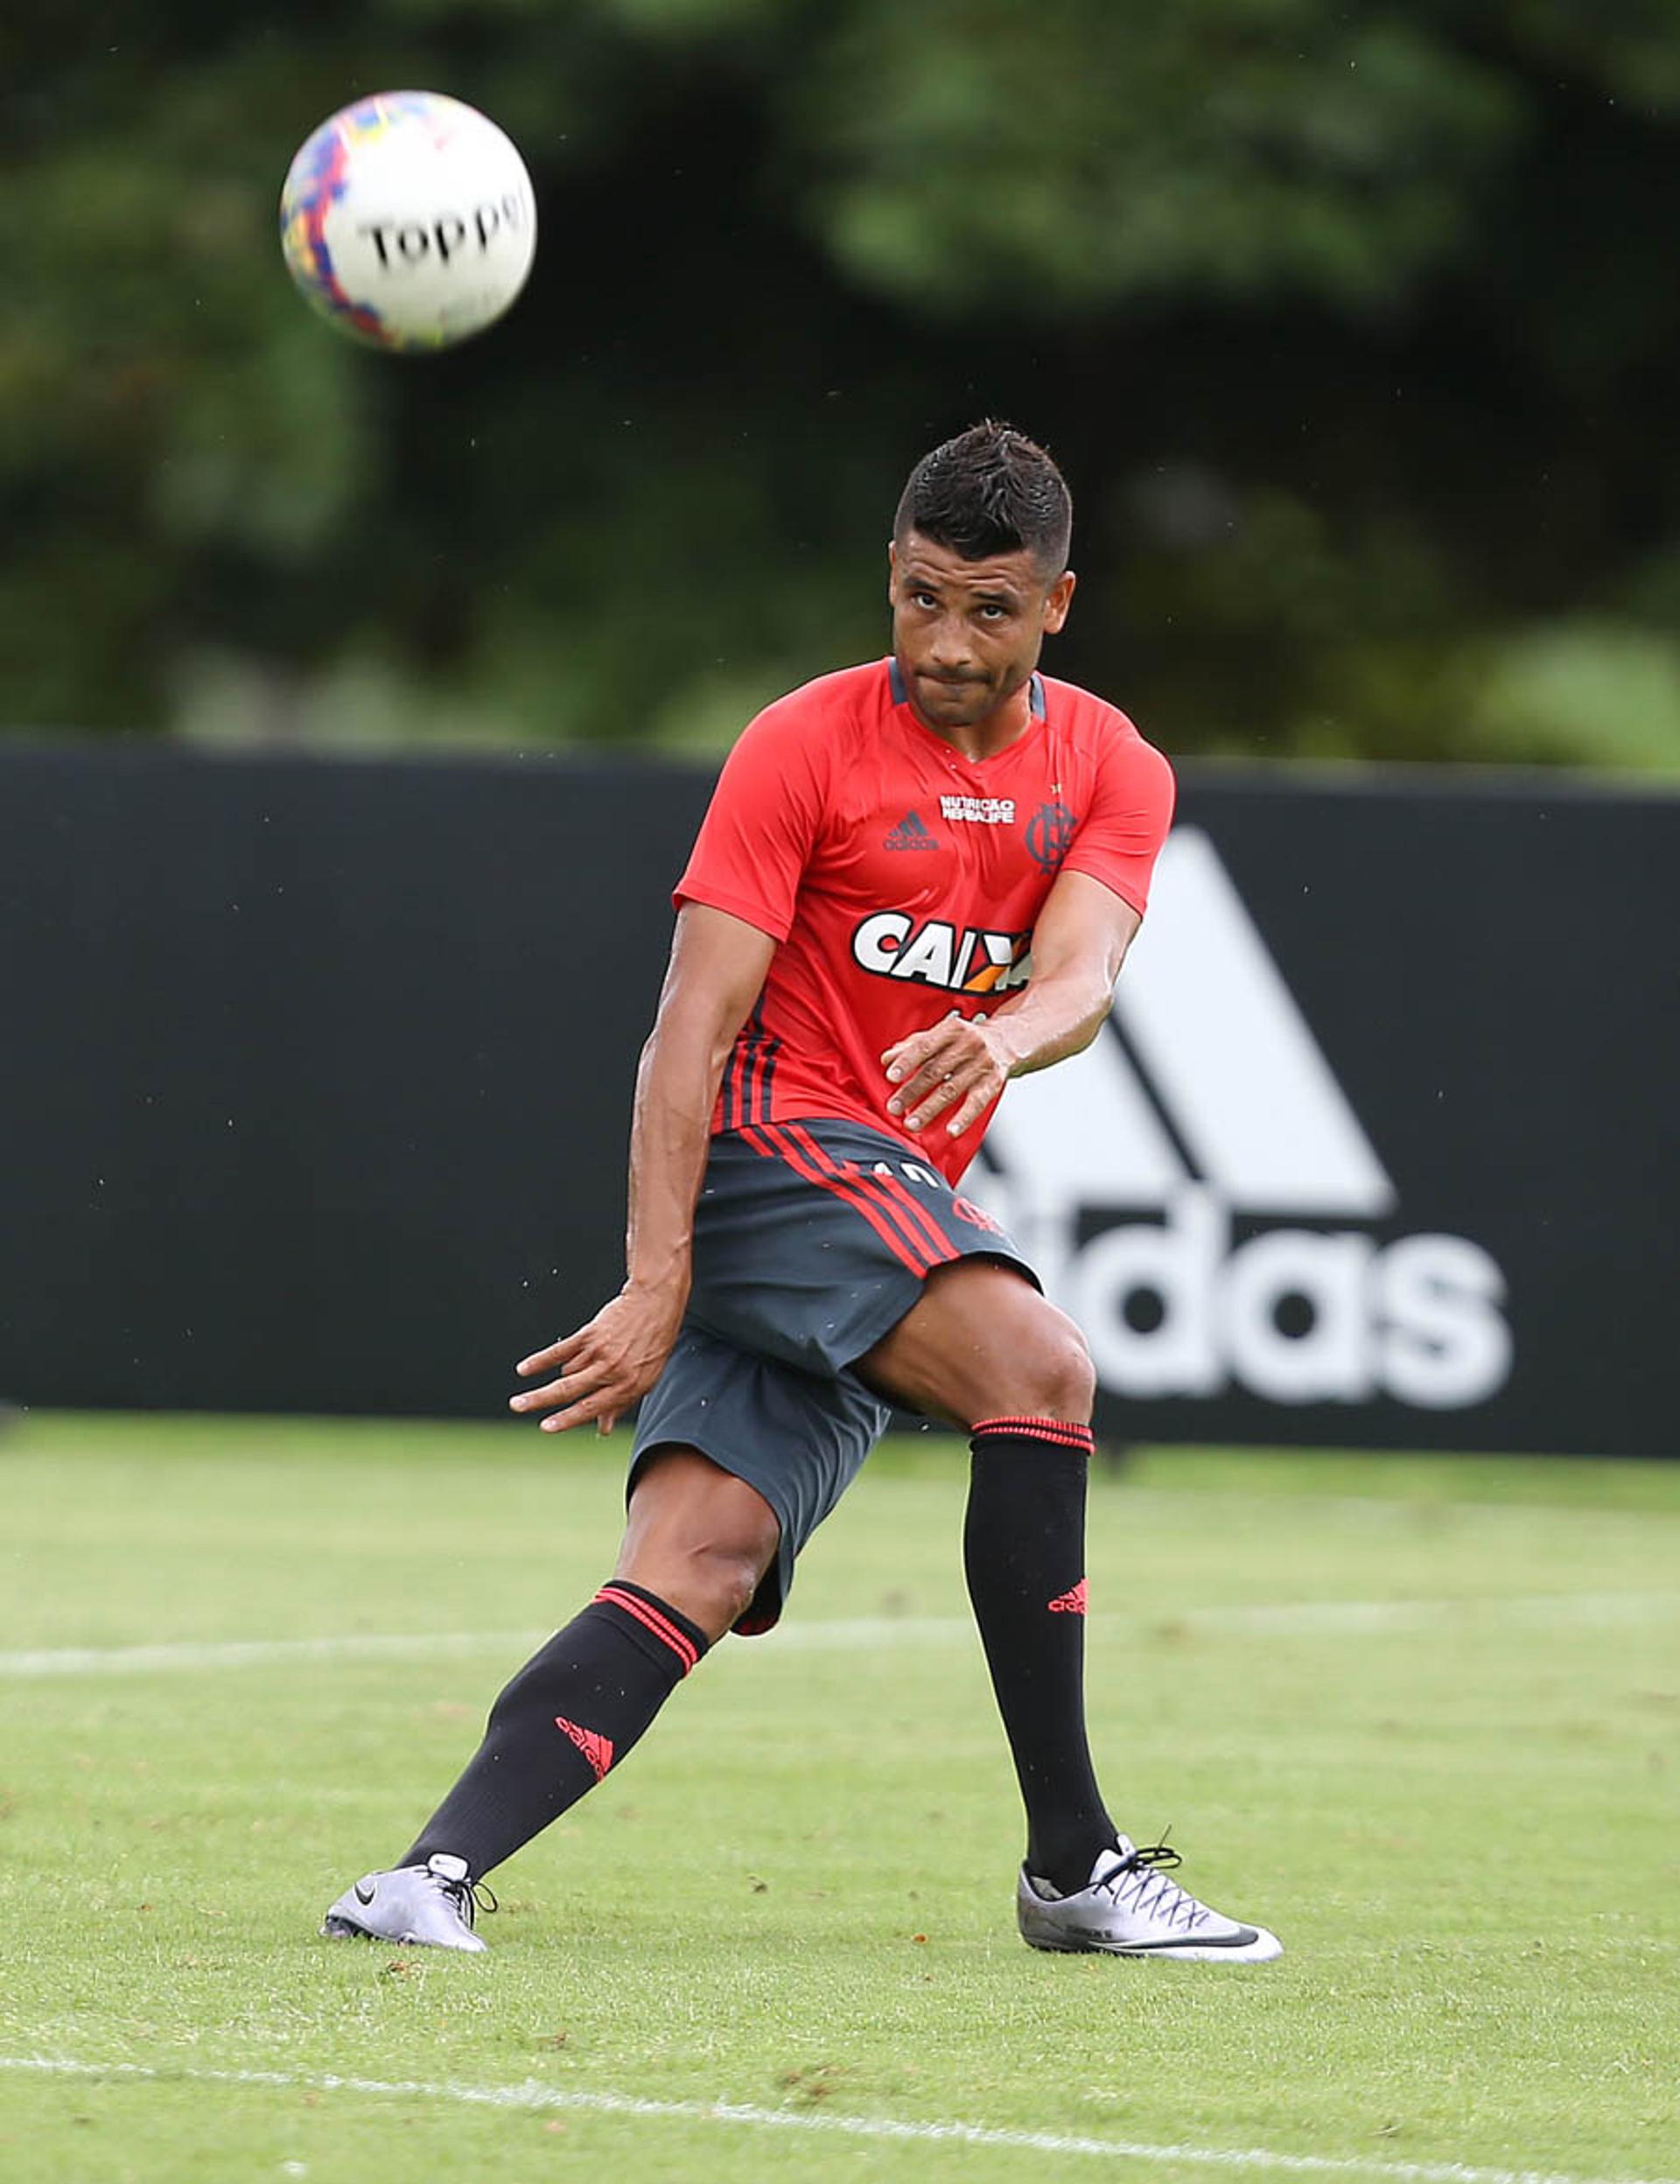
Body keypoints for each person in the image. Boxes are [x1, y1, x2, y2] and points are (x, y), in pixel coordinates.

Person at [323, 421, 1281, 1963]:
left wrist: (1007, 1031)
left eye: (987, 609)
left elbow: (1084, 976)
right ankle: (1076, 1865)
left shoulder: (1112, 765)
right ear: (888, 580)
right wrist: (656, 1277)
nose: (947, 643)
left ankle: (422, 1878)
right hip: (777, 1151)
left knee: (703, 1554)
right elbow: (684, 1036)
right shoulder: (804, 745)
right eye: (919, 600)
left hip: (872, 1202)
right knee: (1042, 1370)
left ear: (1058, 604)